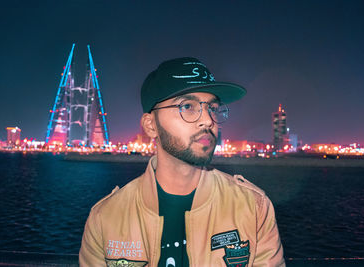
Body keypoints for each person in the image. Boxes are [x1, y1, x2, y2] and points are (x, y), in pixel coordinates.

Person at [79, 57, 285, 267]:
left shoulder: (253, 208)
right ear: (151, 126)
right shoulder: (106, 218)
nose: (208, 120)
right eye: (187, 106)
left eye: (212, 108)